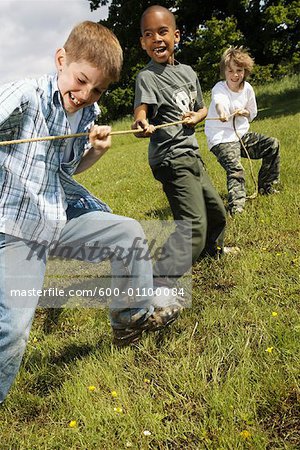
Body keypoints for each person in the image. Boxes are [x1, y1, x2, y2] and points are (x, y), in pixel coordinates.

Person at [0, 21, 180, 404]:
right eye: (81, 81)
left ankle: (130, 319)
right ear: (61, 59)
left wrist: (94, 152)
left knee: (127, 232)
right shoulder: (27, 94)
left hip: (54, 217)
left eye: (96, 88)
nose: (84, 94)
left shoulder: (87, 113)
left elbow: (63, 171)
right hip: (15, 228)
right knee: (13, 329)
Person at [132, 5, 230, 290]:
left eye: (163, 32)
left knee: (216, 212)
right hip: (170, 158)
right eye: (148, 35)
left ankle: (214, 254)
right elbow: (141, 112)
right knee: (193, 228)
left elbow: (201, 109)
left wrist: (196, 116)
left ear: (176, 36)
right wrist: (142, 123)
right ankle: (154, 284)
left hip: (191, 155)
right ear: (142, 43)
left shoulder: (188, 72)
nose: (156, 39)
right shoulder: (147, 77)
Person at [205, 46, 280, 215]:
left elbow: (252, 113)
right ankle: (237, 208)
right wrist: (222, 112)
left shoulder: (248, 89)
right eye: (230, 70)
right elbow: (219, 102)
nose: (234, 75)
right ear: (224, 71)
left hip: (241, 135)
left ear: (245, 71)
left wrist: (246, 113)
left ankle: (266, 187)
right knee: (236, 169)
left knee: (272, 145)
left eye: (238, 70)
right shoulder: (219, 88)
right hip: (221, 138)